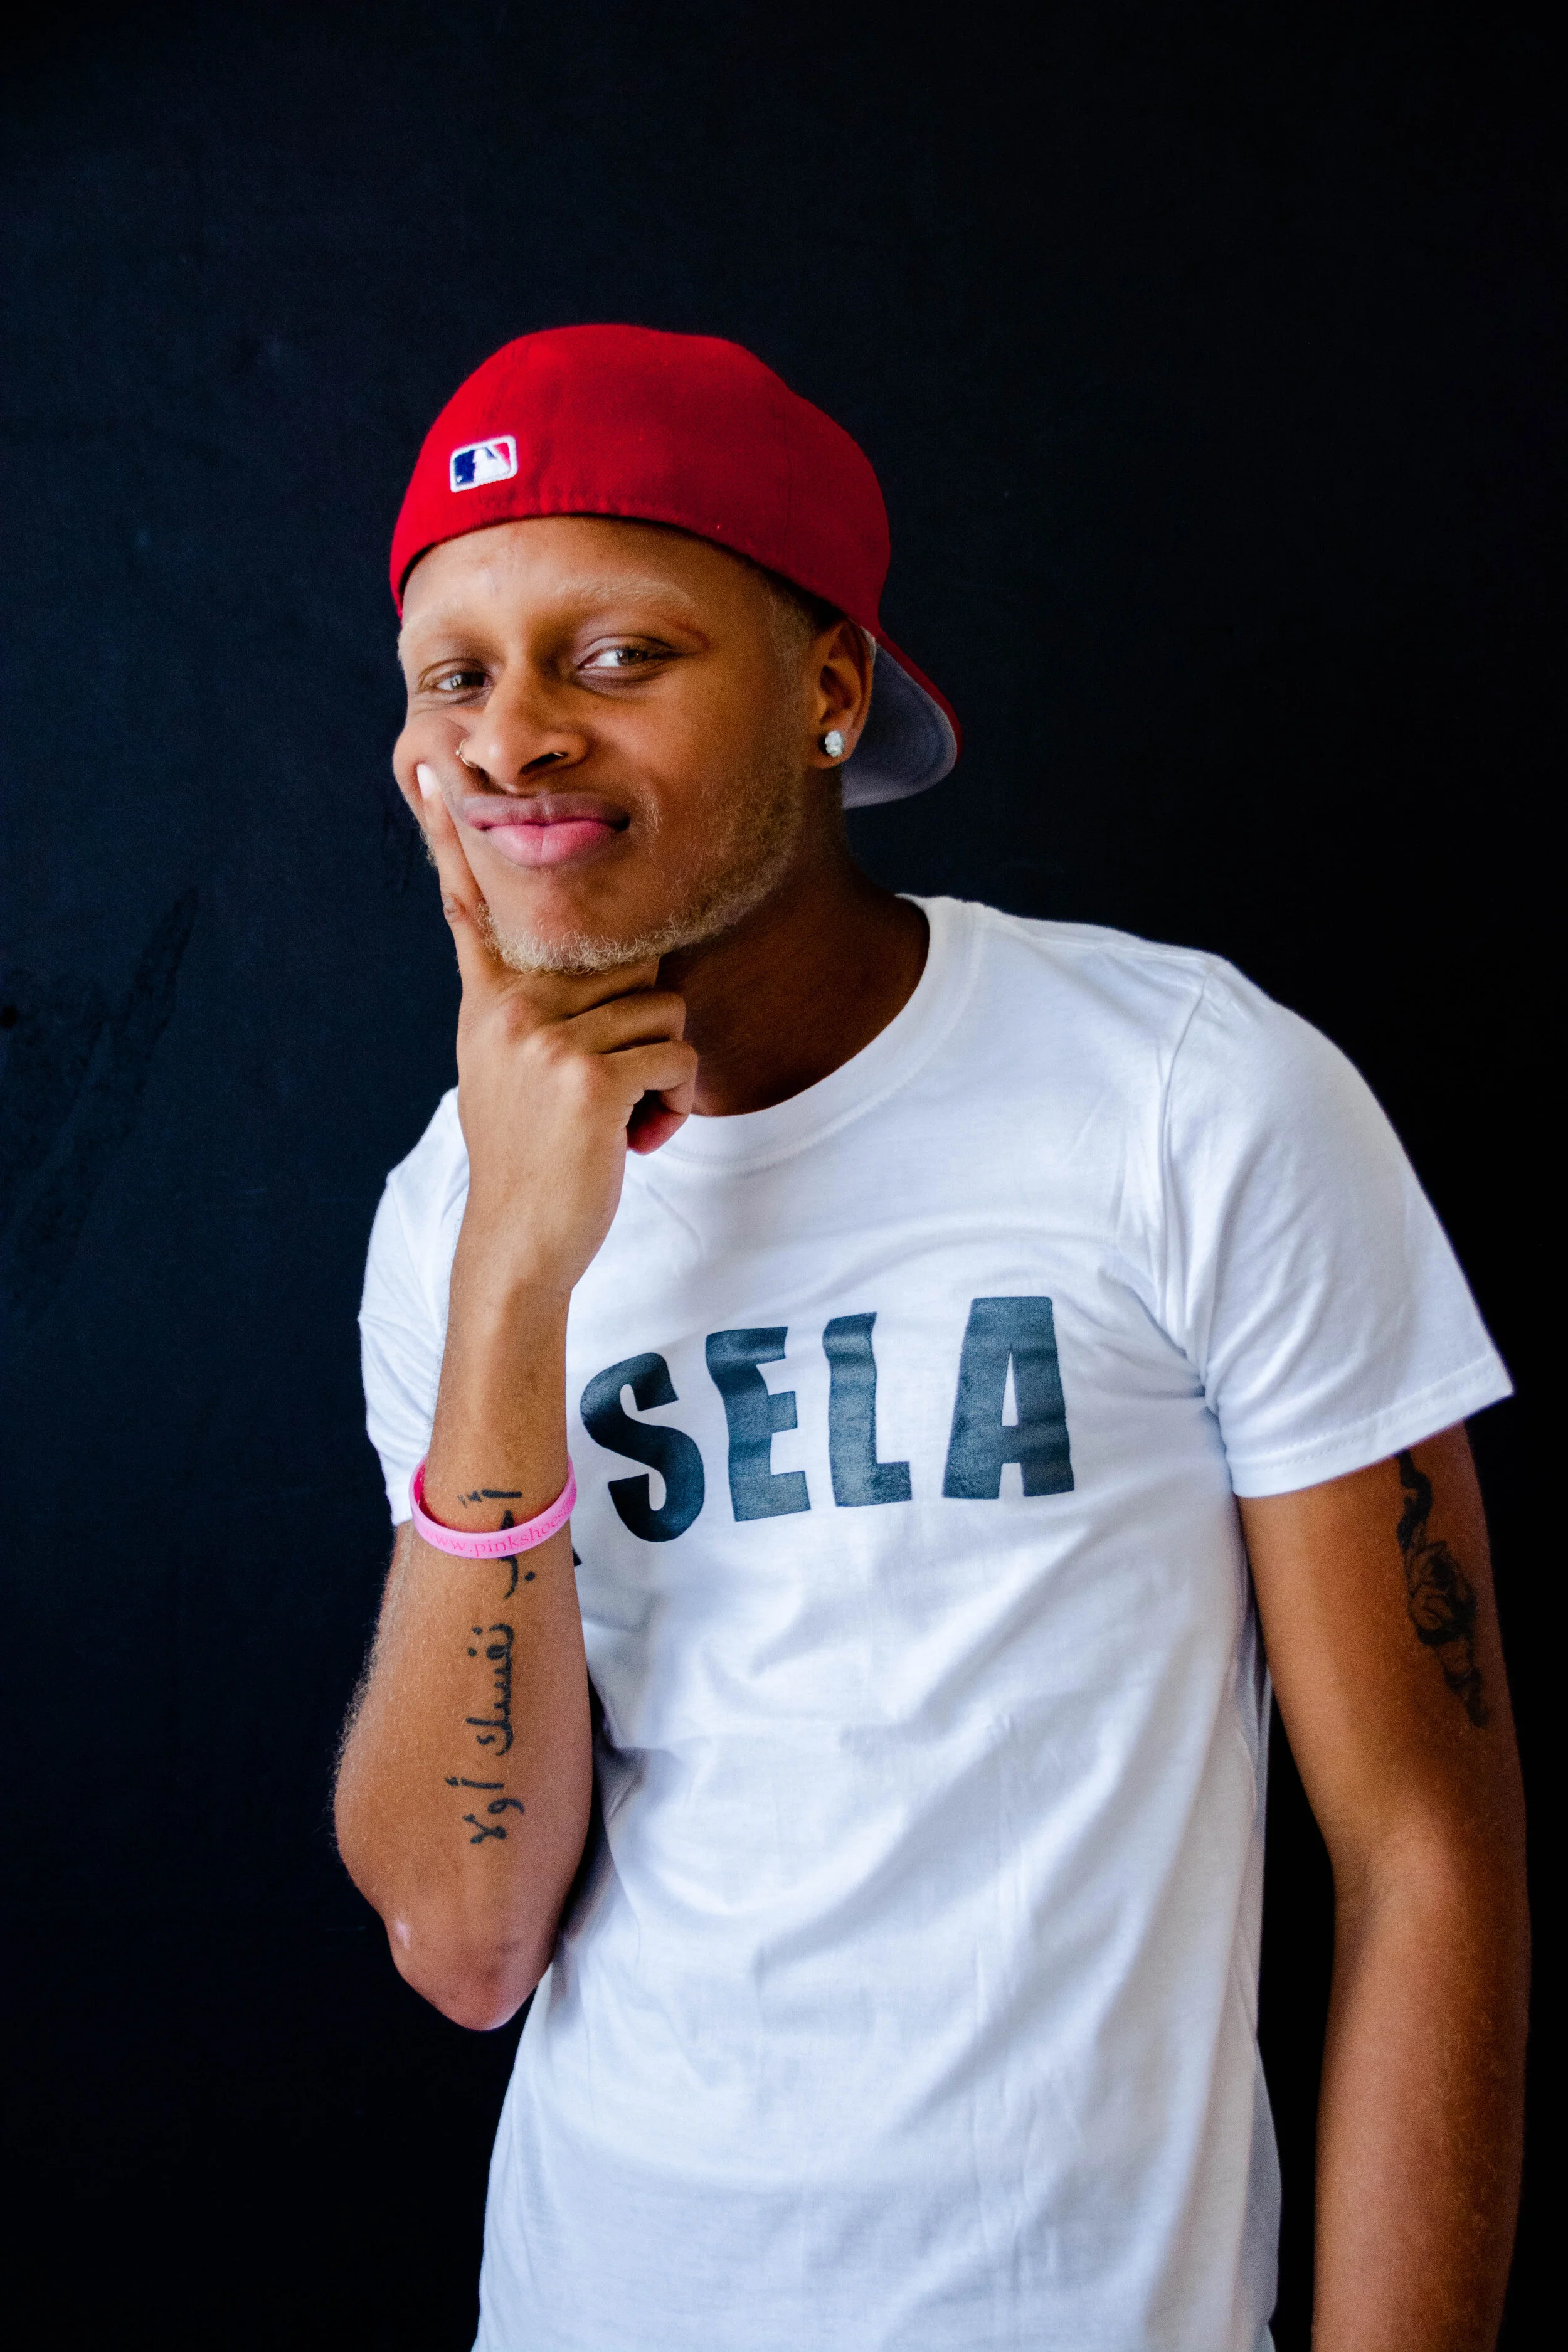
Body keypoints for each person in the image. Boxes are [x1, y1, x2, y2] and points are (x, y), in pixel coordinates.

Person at [334, 325, 1528, 2352]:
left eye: (613, 656)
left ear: (824, 689)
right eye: (459, 672)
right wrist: (515, 1284)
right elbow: (462, 1937)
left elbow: (1425, 1848)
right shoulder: (452, 1213)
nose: (515, 736)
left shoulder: (1188, 1094)